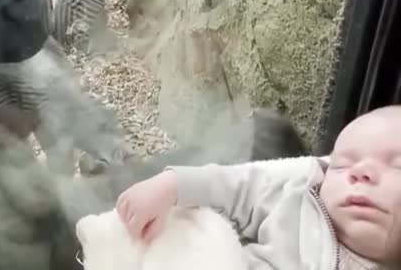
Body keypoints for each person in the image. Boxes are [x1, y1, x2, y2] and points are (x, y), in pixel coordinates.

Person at [116, 105, 401, 269]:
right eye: (342, 163)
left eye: (398, 166)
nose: (361, 172)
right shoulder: (298, 192)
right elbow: (236, 184)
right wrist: (172, 184)